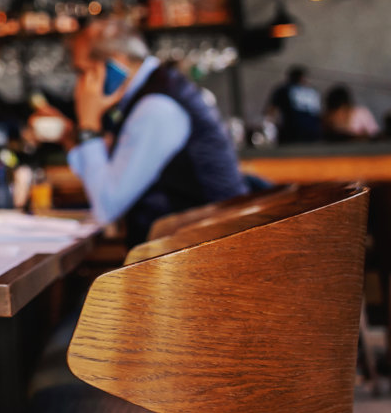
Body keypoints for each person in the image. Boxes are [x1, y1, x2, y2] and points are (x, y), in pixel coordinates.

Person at [66, 19, 248, 244]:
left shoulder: (155, 107)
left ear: (115, 63)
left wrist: (88, 123)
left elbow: (106, 207)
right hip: (189, 251)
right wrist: (71, 135)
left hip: (204, 259)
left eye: (82, 71)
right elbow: (103, 178)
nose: (80, 85)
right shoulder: (154, 91)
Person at [265, 64, 324, 144]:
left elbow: (271, 112)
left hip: (292, 132)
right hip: (314, 133)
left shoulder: (284, 89)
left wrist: (269, 129)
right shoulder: (313, 91)